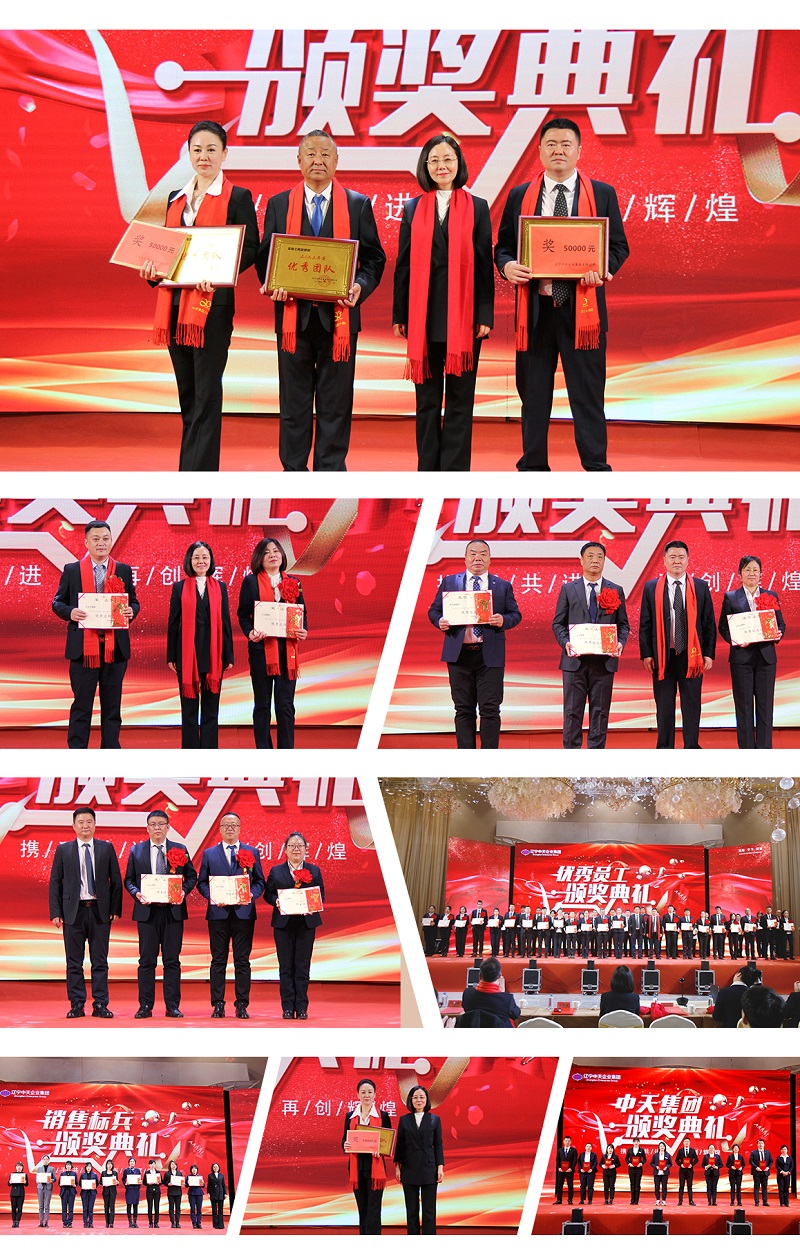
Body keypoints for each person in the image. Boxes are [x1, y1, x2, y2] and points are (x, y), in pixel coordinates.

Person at [494, 116, 629, 472]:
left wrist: (604, 268)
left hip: (582, 312)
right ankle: (533, 467)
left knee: (588, 396)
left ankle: (595, 467)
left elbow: (618, 246)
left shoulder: (602, 194)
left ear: (579, 151)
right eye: (551, 144)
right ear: (540, 151)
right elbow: (503, 246)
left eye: (566, 144)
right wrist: (507, 266)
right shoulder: (520, 196)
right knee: (533, 397)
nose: (558, 150)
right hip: (535, 312)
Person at [258, 129, 386, 471]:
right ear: (299, 160)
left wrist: (359, 286)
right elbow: (265, 257)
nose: (318, 160)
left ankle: (330, 471)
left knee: (336, 403)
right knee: (293, 402)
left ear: (336, 161)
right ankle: (294, 471)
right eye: (311, 154)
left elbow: (374, 258)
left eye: (325, 154)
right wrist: (272, 285)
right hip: (293, 320)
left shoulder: (357, 205)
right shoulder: (279, 204)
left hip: (340, 320)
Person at [139, 120, 258, 471]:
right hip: (174, 306)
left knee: (206, 394)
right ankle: (188, 471)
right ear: (188, 155)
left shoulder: (237, 197)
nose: (204, 156)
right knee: (188, 393)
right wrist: (153, 270)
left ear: (224, 153)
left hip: (211, 307)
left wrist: (220, 274)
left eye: (211, 149)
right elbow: (167, 250)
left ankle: (200, 475)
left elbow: (250, 248)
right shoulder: (175, 199)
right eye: (197, 150)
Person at [392, 133, 493, 470]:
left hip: (464, 317)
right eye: (434, 160)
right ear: (425, 166)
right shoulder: (412, 208)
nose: (441, 166)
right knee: (427, 402)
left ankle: (454, 472)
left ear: (458, 164)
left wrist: (484, 314)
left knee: (461, 401)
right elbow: (404, 265)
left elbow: (483, 265)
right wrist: (400, 314)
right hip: (424, 316)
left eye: (448, 159)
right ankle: (428, 471)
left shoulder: (478, 207)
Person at [51, 518, 139, 748]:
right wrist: (70, 612)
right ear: (86, 543)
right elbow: (57, 602)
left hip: (114, 649)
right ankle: (78, 751)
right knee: (82, 705)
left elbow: (133, 601)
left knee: (112, 706)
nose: (101, 543)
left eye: (105, 538)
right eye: (96, 539)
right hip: (83, 649)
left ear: (111, 541)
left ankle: (110, 751)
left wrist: (131, 611)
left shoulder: (123, 570)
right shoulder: (72, 570)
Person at [428, 538, 522, 748]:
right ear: (465, 558)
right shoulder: (450, 582)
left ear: (489, 559)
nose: (477, 557)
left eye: (483, 554)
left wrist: (503, 620)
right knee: (463, 709)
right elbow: (434, 611)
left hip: (489, 656)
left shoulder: (502, 586)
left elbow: (516, 615)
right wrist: (439, 621)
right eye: (473, 553)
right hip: (459, 655)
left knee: (490, 709)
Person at [639, 539, 716, 748]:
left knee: (692, 704)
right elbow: (645, 623)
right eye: (672, 557)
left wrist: (708, 654)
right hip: (663, 656)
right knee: (664, 706)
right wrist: (647, 654)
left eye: (681, 557)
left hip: (692, 655)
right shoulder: (652, 587)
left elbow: (708, 622)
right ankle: (665, 747)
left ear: (688, 560)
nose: (677, 561)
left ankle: (691, 746)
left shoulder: (700, 587)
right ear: (664, 560)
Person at [552, 540, 629, 747]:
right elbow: (558, 623)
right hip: (574, 661)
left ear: (604, 561)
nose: (595, 560)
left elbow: (623, 625)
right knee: (572, 712)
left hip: (604, 662)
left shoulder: (616, 589)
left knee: (600, 712)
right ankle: (572, 755)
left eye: (600, 557)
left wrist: (620, 643)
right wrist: (566, 642)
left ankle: (596, 755)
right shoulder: (568, 589)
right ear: (581, 560)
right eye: (590, 556)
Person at [48, 806, 122, 1018]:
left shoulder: (106, 848)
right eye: (80, 822)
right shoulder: (64, 850)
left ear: (95, 824)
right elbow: (55, 882)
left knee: (100, 961)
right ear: (73, 826)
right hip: (73, 912)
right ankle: (77, 1004)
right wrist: (55, 912)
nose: (85, 826)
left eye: (89, 822)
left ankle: (100, 1004)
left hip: (100, 911)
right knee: (74, 962)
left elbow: (116, 881)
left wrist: (115, 909)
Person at [124, 809, 198, 1018]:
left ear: (168, 827)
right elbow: (128, 880)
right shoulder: (137, 850)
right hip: (147, 913)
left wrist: (183, 892)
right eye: (153, 824)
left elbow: (191, 876)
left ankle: (172, 1006)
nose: (157, 828)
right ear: (147, 828)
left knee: (172, 961)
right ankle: (145, 1006)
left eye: (161, 824)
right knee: (146, 961)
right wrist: (136, 893)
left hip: (172, 913)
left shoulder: (180, 849)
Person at [237, 537, 308, 748]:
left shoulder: (294, 582)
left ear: (282, 555)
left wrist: (303, 629)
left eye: (276, 551)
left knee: (285, 705)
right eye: (267, 552)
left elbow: (302, 613)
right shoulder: (251, 582)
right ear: (260, 558)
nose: (272, 555)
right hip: (260, 651)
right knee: (262, 705)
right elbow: (243, 615)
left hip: (287, 653)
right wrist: (250, 633)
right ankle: (264, 751)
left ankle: (286, 752)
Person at [197, 811, 266, 1018]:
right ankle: (218, 1003)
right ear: (219, 829)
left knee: (242, 960)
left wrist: (251, 895)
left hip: (243, 914)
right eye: (226, 825)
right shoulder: (209, 854)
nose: (230, 828)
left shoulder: (251, 852)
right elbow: (202, 882)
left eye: (234, 825)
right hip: (218, 913)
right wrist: (212, 896)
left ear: (240, 828)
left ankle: (241, 1004)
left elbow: (259, 881)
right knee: (218, 960)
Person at [166, 541, 234, 748]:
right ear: (189, 560)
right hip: (187, 656)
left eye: (205, 557)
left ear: (211, 561)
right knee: (189, 711)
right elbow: (173, 623)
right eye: (196, 557)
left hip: (214, 655)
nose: (201, 561)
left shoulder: (220, 587)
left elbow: (226, 622)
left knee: (211, 710)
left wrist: (228, 656)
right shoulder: (179, 587)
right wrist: (171, 656)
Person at [718, 555, 785, 748]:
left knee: (765, 707)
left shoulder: (771, 595)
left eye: (755, 570)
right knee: (744, 707)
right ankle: (747, 751)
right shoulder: (731, 597)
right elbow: (723, 626)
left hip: (766, 659)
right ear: (740, 574)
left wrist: (778, 633)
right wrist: (736, 640)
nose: (751, 573)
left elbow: (780, 624)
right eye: (747, 570)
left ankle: (764, 751)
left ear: (761, 574)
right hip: (742, 660)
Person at [265, 831, 324, 1019]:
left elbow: (320, 895)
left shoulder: (314, 871)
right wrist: (276, 901)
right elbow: (268, 894)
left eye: (300, 846)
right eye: (292, 846)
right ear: (285, 850)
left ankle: (302, 1007)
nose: (296, 849)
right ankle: (288, 1008)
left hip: (306, 924)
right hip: (283, 925)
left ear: (306, 849)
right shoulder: (276, 871)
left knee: (302, 966)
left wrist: (312, 904)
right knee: (286, 967)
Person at [342, 1076, 392, 1235]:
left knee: (374, 1209)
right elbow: (344, 1140)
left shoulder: (383, 1116)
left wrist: (381, 1149)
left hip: (375, 1169)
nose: (367, 1095)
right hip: (356, 1169)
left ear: (375, 1094)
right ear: (357, 1094)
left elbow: (387, 1142)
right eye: (363, 1092)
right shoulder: (350, 1116)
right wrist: (345, 1145)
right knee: (362, 1208)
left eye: (370, 1092)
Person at [394, 1084, 444, 1235]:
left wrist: (440, 1167)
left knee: (429, 1210)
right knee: (412, 1210)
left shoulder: (434, 1119)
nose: (418, 1100)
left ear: (426, 1100)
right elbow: (400, 1144)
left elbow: (438, 1144)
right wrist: (397, 1167)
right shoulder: (404, 1120)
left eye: (422, 1097)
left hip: (429, 1167)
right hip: (409, 1167)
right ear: (410, 1100)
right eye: (415, 1097)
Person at [460, 956, 521, 1026]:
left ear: (479, 976)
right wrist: (502, 993)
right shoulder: (506, 999)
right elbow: (516, 1014)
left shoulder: (467, 994)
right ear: (499, 976)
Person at [33, 1153, 56, 1228]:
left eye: (47, 1159)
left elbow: (54, 1178)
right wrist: (37, 1180)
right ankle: (40, 1222)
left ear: (49, 1160)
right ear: (42, 1160)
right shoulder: (39, 1169)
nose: (45, 1160)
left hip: (48, 1188)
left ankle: (46, 1222)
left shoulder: (52, 1169)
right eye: (44, 1159)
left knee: (47, 1206)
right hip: (40, 1187)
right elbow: (37, 1178)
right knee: (41, 1206)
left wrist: (51, 1180)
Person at [675, 1137, 698, 1207]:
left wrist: (692, 1164)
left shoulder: (692, 1151)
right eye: (685, 1141)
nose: (687, 1143)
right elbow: (676, 1160)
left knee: (689, 1186)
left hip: (690, 1171)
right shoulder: (680, 1151)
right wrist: (681, 1165)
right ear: (683, 1143)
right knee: (681, 1186)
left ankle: (691, 1201)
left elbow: (696, 1159)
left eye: (688, 1141)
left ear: (690, 1142)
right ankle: (680, 1201)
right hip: (682, 1171)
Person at [555, 1136, 577, 1204]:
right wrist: (559, 1168)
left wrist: (571, 1168)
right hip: (561, 1171)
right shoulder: (560, 1150)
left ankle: (570, 1199)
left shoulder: (573, 1150)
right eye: (566, 1141)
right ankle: (559, 1200)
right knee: (559, 1185)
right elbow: (557, 1160)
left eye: (568, 1141)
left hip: (569, 1171)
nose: (567, 1142)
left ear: (570, 1142)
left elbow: (575, 1160)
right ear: (564, 1141)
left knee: (570, 1185)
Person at [750, 1139, 772, 1205]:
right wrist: (756, 1167)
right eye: (759, 1143)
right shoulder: (754, 1152)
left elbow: (771, 1161)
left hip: (765, 1172)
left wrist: (768, 1167)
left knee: (764, 1187)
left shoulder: (767, 1153)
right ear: (757, 1144)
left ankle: (765, 1202)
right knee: (757, 1187)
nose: (760, 1145)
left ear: (764, 1144)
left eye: (762, 1143)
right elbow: (751, 1161)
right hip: (757, 1172)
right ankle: (757, 1202)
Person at [163, 1160, 184, 1228]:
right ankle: (172, 1222)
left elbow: (182, 1182)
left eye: (175, 1164)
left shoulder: (179, 1173)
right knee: (171, 1207)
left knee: (178, 1208)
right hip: (171, 1192)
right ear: (170, 1166)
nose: (174, 1166)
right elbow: (164, 1182)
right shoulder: (167, 1174)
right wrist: (168, 1184)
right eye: (172, 1164)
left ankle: (177, 1222)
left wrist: (182, 1183)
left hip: (178, 1192)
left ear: (176, 1166)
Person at [122, 1157, 141, 1228]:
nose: (132, 1163)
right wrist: (125, 1183)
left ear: (135, 1163)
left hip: (136, 1190)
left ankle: (135, 1222)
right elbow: (123, 1179)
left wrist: (140, 1182)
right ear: (129, 1163)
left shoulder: (137, 1170)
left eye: (133, 1161)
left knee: (135, 1206)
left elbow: (139, 1179)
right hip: (129, 1190)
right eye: (131, 1161)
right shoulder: (126, 1170)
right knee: (129, 1205)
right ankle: (130, 1222)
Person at [626, 1140, 646, 1204]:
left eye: (637, 1142)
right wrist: (629, 1163)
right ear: (633, 1143)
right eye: (635, 1142)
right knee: (632, 1184)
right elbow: (626, 1159)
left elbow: (645, 1159)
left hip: (638, 1169)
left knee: (637, 1184)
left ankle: (636, 1200)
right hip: (631, 1169)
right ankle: (632, 1200)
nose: (636, 1143)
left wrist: (641, 1163)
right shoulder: (630, 1150)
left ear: (639, 1143)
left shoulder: (641, 1150)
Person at [8, 1161, 28, 1228]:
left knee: (19, 1208)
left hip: (21, 1193)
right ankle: (14, 1221)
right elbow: (8, 1184)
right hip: (13, 1193)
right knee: (13, 1208)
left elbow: (27, 1184)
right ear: (16, 1167)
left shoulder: (24, 1175)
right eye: (17, 1166)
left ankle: (17, 1221)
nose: (19, 1167)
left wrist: (25, 1182)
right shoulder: (12, 1174)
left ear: (22, 1167)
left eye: (20, 1166)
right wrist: (10, 1182)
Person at [79, 1161, 99, 1227]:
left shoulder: (94, 1175)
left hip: (92, 1193)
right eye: (87, 1166)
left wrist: (93, 1186)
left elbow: (97, 1183)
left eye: (90, 1166)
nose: (88, 1168)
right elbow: (80, 1183)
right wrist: (84, 1186)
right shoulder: (83, 1175)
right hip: (84, 1193)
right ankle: (85, 1222)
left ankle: (90, 1222)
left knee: (90, 1208)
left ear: (91, 1167)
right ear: (85, 1167)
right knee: (85, 1208)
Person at [207, 1163, 226, 1229]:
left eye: (216, 1167)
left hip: (220, 1193)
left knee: (220, 1210)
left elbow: (223, 1185)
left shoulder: (221, 1176)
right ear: (212, 1168)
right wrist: (208, 1193)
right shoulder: (210, 1176)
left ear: (218, 1168)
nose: (215, 1168)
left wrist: (225, 1193)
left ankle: (221, 1225)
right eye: (214, 1167)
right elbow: (209, 1185)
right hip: (213, 1194)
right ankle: (215, 1225)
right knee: (214, 1210)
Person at [101, 1158, 118, 1229]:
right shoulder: (103, 1173)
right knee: (106, 1207)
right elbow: (100, 1182)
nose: (109, 1165)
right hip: (105, 1192)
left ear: (112, 1165)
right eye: (108, 1164)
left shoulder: (115, 1173)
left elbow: (116, 1182)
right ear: (106, 1165)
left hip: (113, 1192)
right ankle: (107, 1223)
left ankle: (111, 1223)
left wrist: (117, 1182)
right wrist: (104, 1183)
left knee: (112, 1207)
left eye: (111, 1164)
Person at [144, 1159, 162, 1227]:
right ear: (149, 1165)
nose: (152, 1165)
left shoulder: (158, 1172)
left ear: (155, 1165)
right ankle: (150, 1222)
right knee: (150, 1206)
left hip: (157, 1191)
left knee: (157, 1206)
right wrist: (148, 1183)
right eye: (151, 1164)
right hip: (149, 1191)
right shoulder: (147, 1173)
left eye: (154, 1164)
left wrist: (158, 1183)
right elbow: (144, 1182)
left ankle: (156, 1222)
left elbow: (161, 1182)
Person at [59, 1162, 77, 1228]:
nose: (68, 1166)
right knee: (64, 1208)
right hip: (64, 1192)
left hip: (71, 1192)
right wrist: (61, 1184)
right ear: (65, 1166)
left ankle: (70, 1222)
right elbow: (59, 1183)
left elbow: (76, 1183)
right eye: (67, 1165)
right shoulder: (62, 1174)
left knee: (70, 1208)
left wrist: (74, 1185)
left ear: (71, 1166)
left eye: (69, 1165)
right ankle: (64, 1222)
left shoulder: (74, 1174)